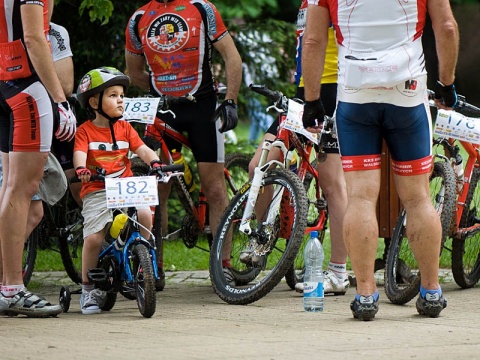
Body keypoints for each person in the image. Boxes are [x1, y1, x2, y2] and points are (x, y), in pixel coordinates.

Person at [302, 0, 458, 320]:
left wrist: (312, 99)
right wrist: (447, 83)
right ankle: (430, 292)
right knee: (417, 198)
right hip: (408, 92)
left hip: (355, 95)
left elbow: (314, 39)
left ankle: (365, 295)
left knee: (360, 197)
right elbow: (446, 27)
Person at [125, 0, 242, 289]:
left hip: (203, 107)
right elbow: (134, 72)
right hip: (163, 109)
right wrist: (159, 90)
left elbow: (232, 57)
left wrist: (230, 101)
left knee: (214, 187)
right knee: (156, 190)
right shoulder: (139, 17)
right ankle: (155, 267)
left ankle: (223, 265)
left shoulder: (203, 9)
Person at [244, 0, 349, 296]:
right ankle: (261, 235)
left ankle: (339, 272)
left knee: (332, 184)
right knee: (259, 166)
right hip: (303, 94)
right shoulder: (306, 3)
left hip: (335, 92)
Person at [0, 0, 76, 317]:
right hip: (27, 87)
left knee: (30, 207)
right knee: (22, 189)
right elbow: (34, 37)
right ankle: (12, 288)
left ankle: (7, 285)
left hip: (4, 83)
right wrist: (60, 100)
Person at [74, 67, 165, 315]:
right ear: (94, 102)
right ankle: (88, 290)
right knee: (93, 237)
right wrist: (82, 168)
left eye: (122, 95)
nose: (120, 100)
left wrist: (154, 163)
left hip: (125, 187)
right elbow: (79, 154)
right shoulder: (85, 131)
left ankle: (141, 264)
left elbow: (143, 149)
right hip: (98, 188)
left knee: (145, 216)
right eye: (113, 95)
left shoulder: (125, 128)